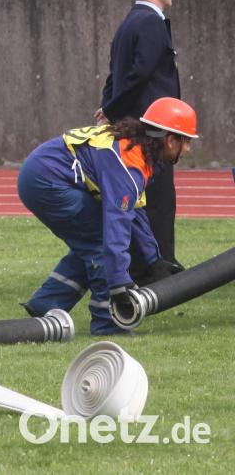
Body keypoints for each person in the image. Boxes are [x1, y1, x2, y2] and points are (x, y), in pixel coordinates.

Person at [19, 98, 197, 335]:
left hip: (41, 175)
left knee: (91, 241)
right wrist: (119, 281)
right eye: (186, 141)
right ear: (170, 140)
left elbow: (136, 212)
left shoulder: (137, 152)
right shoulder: (129, 164)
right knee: (101, 245)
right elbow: (117, 224)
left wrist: (153, 259)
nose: (188, 149)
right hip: (47, 182)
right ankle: (108, 324)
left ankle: (48, 302)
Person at [95, 0, 183, 276]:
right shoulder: (150, 22)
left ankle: (148, 263)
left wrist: (108, 106)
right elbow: (141, 74)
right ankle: (160, 266)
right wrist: (111, 107)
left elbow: (114, 76)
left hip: (133, 123)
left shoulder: (128, 23)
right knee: (158, 197)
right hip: (152, 127)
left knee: (138, 196)